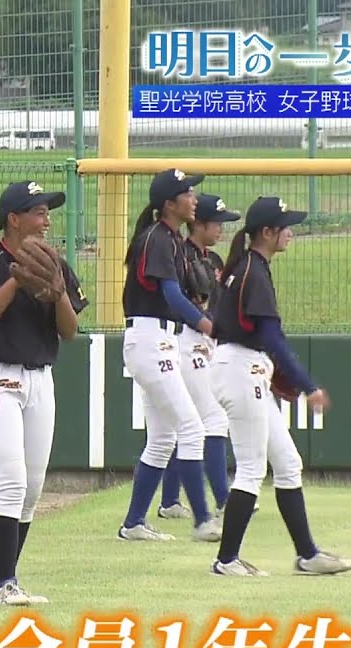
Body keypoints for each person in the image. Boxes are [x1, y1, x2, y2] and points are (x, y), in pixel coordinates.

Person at [0, 181, 88, 606]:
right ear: (14, 218)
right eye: (39, 212)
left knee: (32, 488)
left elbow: (69, 331)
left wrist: (58, 290)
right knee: (10, 482)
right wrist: (15, 282)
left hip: (38, 379)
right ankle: (5, 582)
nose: (48, 221)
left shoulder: (54, 264)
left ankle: (1, 581)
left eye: (49, 213)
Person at [208, 196, 351, 577]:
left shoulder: (249, 265)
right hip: (240, 367)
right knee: (252, 468)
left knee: (289, 463)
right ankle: (226, 560)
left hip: (243, 366)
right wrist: (308, 386)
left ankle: (307, 555)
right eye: (284, 225)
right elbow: (271, 337)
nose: (290, 231)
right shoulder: (253, 269)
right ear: (267, 232)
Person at [118, 168, 222, 543]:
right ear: (168, 203)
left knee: (162, 439)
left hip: (157, 340)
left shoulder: (171, 239)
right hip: (150, 339)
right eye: (187, 192)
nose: (194, 198)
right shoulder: (158, 238)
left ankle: (133, 523)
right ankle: (203, 520)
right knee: (192, 427)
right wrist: (207, 324)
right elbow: (172, 296)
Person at [157, 193, 238, 521]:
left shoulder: (214, 261)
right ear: (199, 223)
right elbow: (176, 300)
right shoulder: (181, 255)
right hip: (186, 339)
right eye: (217, 223)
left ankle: (170, 501)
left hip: (209, 339)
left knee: (183, 426)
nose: (221, 229)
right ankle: (223, 500)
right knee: (212, 419)